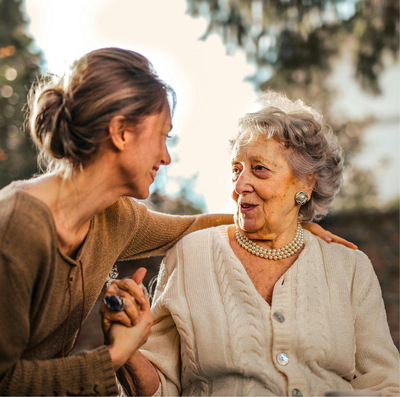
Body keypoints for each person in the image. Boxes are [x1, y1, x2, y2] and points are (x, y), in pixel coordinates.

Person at [0, 48, 346, 396]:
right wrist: (116, 354)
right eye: (162, 135)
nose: (165, 157)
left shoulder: (114, 218)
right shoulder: (18, 228)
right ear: (121, 132)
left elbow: (189, 226)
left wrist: (283, 222)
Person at [110, 92, 400, 396]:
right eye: (236, 169)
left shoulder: (350, 268)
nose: (239, 185)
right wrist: (126, 352)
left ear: (305, 183)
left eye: (259, 168)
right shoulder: (189, 256)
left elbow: (387, 384)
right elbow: (161, 388)